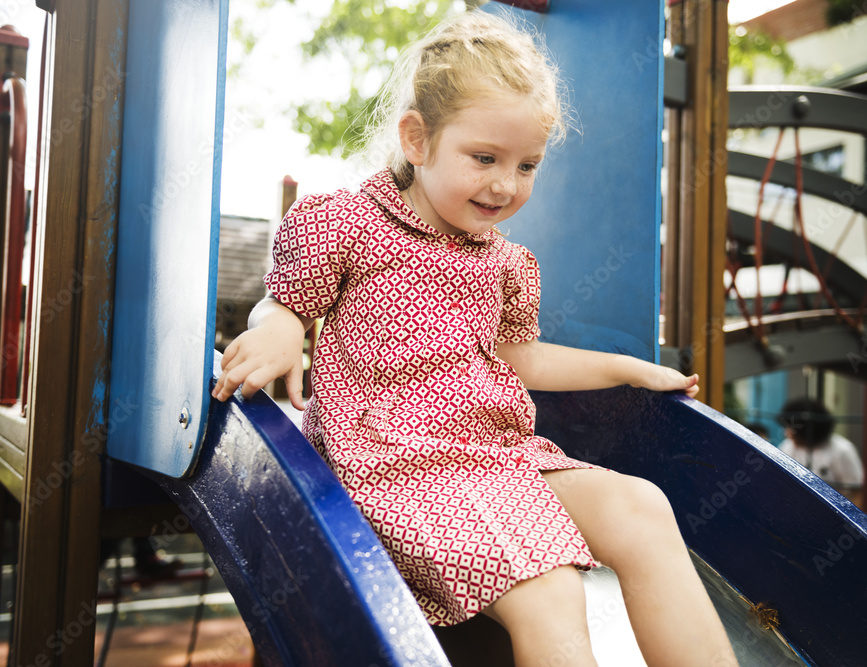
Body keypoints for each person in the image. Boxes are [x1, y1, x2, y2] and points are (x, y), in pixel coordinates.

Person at [213, 11, 736, 666]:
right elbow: (283, 299)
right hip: (390, 463)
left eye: (526, 165)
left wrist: (626, 368)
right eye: (484, 158)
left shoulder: (503, 263)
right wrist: (286, 326)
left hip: (490, 454)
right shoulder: (350, 223)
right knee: (550, 589)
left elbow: (520, 357)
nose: (504, 184)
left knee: (642, 506)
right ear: (416, 138)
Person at [778, 397, 864, 507]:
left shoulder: (842, 450)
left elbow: (858, 493)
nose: (787, 433)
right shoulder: (787, 447)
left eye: (791, 428)